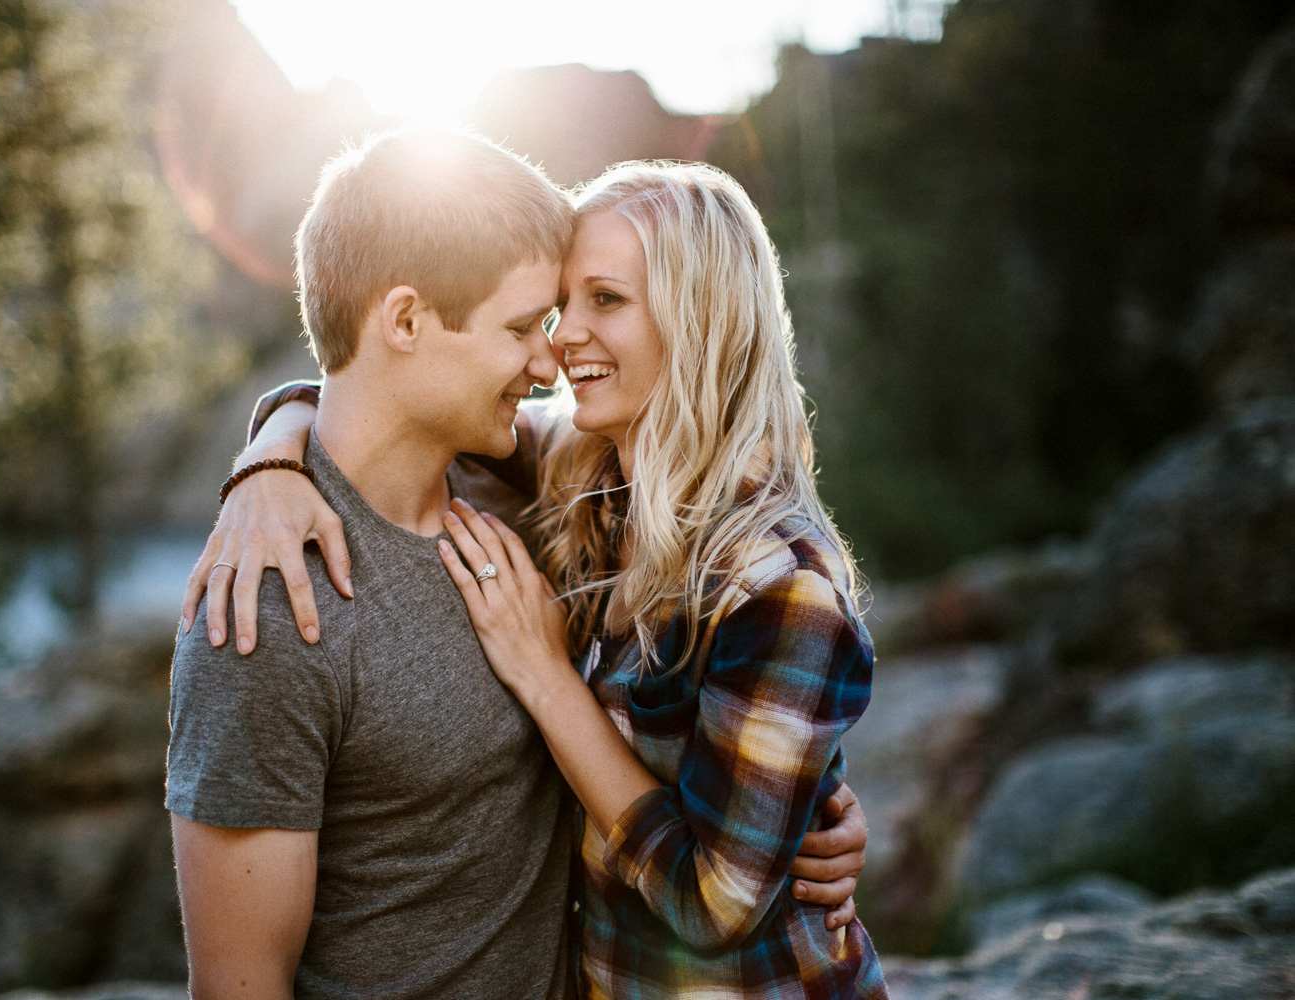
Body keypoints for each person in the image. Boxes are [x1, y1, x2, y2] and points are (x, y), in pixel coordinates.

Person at [167, 131, 868, 1000]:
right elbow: (366, 390)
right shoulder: (564, 484)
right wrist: (267, 464)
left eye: (601, 300)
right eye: (538, 317)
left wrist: (548, 678)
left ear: (700, 321)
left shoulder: (721, 560)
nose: (557, 351)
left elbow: (721, 890)